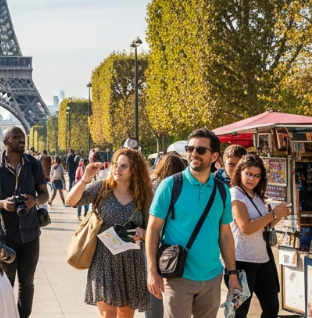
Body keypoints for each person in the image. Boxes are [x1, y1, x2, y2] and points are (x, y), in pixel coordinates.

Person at [145, 128, 242, 318]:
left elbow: (225, 235)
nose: (193, 154)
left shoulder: (222, 191)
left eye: (200, 150)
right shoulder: (171, 185)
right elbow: (153, 229)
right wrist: (152, 271)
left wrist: (232, 274)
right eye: (190, 149)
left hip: (212, 277)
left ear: (214, 156)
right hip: (177, 276)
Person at [67, 147, 153, 317]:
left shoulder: (143, 195)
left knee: (126, 315)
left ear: (134, 169)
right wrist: (85, 179)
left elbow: (151, 226)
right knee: (108, 315)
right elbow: (71, 201)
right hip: (103, 259)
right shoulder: (102, 188)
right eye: (116, 165)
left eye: (123, 166)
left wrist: (143, 233)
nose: (117, 169)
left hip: (131, 262)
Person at [0, 126, 49, 318]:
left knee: (27, 282)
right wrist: (3, 204)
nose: (21, 140)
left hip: (30, 233)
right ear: (5, 141)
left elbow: (45, 194)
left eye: (22, 137)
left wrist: (34, 201)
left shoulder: (33, 164)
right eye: (16, 137)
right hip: (5, 237)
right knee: (5, 283)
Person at [229, 154, 289, 318]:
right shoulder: (235, 194)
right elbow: (246, 227)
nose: (251, 179)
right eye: (248, 173)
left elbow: (264, 226)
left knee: (272, 308)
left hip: (262, 259)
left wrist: (279, 215)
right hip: (242, 260)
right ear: (239, 172)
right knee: (239, 312)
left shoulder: (256, 196)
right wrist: (273, 215)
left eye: (256, 175)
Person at [146, 152, 186, 318]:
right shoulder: (182, 187)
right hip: (173, 244)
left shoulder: (151, 186)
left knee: (154, 291)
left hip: (151, 241)